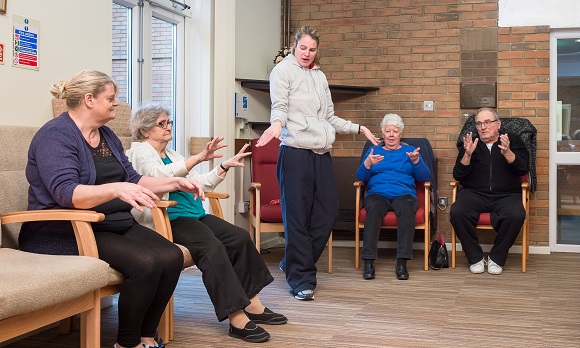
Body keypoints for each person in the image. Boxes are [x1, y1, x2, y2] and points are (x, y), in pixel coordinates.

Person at [18, 70, 209, 348]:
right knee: (146, 264)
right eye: (111, 98)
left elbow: (131, 178)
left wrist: (175, 181)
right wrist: (115, 189)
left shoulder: (106, 135)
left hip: (111, 222)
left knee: (170, 256)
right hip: (64, 229)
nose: (116, 103)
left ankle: (146, 335)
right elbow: (66, 193)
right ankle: (127, 343)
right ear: (89, 100)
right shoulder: (55, 136)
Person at [126, 104, 287, 343]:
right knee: (211, 246)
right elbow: (157, 177)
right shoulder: (139, 152)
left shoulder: (173, 155)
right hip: (169, 218)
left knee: (239, 237)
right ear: (145, 130)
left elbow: (200, 182)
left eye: (169, 122)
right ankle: (236, 317)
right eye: (162, 123)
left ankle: (253, 304)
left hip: (193, 214)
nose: (169, 126)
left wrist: (223, 167)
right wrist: (198, 157)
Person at [256, 26, 379, 301]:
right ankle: (301, 280)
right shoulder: (282, 72)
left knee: (327, 212)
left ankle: (291, 262)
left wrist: (359, 128)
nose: (307, 53)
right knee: (297, 218)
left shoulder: (320, 76)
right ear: (293, 46)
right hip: (295, 153)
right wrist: (277, 125)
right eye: (303, 48)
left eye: (312, 50)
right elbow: (280, 107)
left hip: (322, 154)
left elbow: (329, 118)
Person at [450, 108, 529, 275]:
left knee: (516, 214)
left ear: (498, 124)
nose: (482, 127)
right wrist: (467, 155)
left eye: (487, 122)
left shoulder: (512, 141)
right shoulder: (472, 143)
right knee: (457, 211)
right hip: (474, 193)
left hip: (506, 194)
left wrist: (508, 153)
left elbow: (523, 169)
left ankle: (497, 258)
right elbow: (457, 174)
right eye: (479, 123)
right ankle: (475, 257)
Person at [356, 114, 431, 281]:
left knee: (406, 210)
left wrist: (417, 161)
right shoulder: (374, 150)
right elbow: (360, 176)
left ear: (400, 134)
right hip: (377, 194)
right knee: (373, 209)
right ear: (382, 134)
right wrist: (368, 163)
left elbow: (425, 177)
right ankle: (368, 261)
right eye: (387, 131)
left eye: (395, 131)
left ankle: (402, 262)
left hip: (404, 194)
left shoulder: (409, 152)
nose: (391, 135)